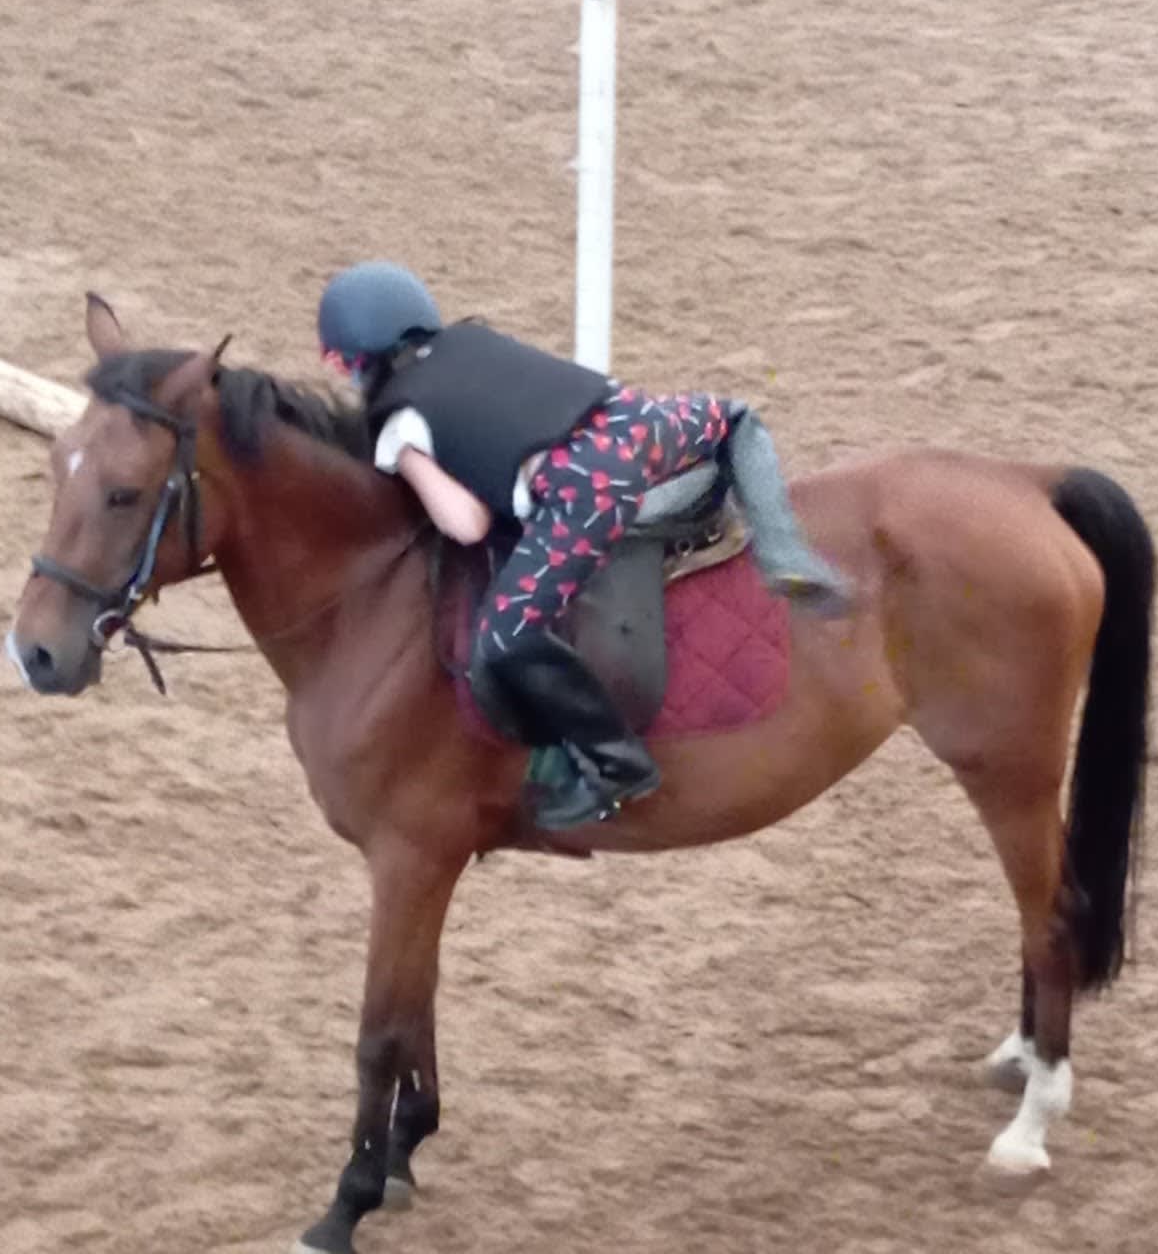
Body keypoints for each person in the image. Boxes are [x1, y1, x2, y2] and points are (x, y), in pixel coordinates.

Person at [317, 261, 853, 832]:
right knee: (738, 418)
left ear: (348, 361)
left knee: (505, 638)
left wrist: (413, 463)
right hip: (638, 424)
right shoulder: (477, 341)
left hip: (585, 490)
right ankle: (786, 555)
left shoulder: (399, 421)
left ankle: (617, 764)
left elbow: (468, 525)